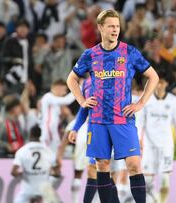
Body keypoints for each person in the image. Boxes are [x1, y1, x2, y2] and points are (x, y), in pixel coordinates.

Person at [66, 9, 159, 203]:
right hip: (98, 120)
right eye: (111, 26)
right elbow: (71, 79)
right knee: (102, 165)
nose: (115, 30)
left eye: (117, 26)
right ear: (100, 28)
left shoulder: (130, 52)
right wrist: (82, 101)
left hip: (123, 119)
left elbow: (153, 76)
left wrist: (140, 103)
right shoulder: (90, 55)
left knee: (134, 164)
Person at [140, 73, 176, 203]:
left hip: (166, 144)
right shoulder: (146, 99)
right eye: (157, 82)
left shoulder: (173, 100)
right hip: (149, 144)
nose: (159, 85)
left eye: (162, 82)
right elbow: (140, 121)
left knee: (165, 180)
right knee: (148, 181)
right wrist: (138, 139)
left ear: (166, 84)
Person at [11, 125, 59, 203]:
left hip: (28, 190)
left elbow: (13, 172)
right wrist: (47, 174)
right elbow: (57, 172)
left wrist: (24, 174)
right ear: (40, 135)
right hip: (44, 189)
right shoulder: (48, 150)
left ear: (30, 135)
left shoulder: (22, 150)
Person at [40, 79, 75, 153]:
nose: (65, 93)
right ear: (57, 87)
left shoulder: (56, 103)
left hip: (54, 130)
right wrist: (79, 88)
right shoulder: (48, 97)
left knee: (55, 154)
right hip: (48, 130)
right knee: (47, 154)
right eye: (64, 90)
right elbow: (67, 100)